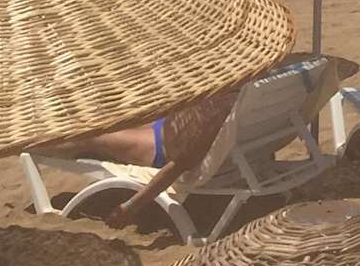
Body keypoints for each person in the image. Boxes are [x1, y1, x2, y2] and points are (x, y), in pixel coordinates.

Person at [49, 80, 246, 227]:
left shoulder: (219, 110)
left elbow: (179, 165)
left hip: (157, 148)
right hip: (168, 128)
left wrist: (130, 207)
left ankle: (38, 146)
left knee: (88, 137)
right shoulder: (249, 91)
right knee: (105, 117)